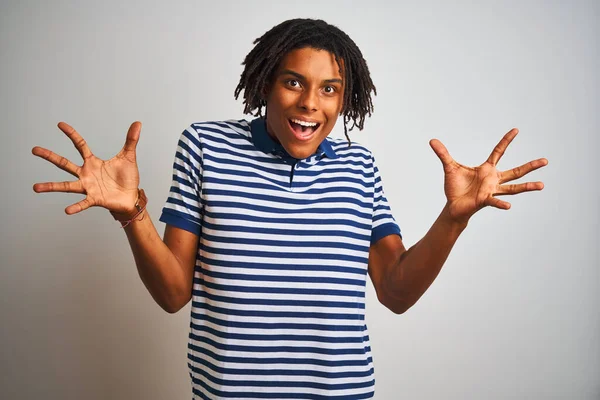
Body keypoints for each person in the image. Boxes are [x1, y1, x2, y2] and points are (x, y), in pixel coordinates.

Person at [32, 18, 547, 400]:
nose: (310, 103)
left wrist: (453, 219)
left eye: (330, 89)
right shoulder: (205, 148)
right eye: (294, 81)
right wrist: (132, 214)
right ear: (265, 84)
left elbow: (395, 291)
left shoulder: (358, 166)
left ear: (345, 100)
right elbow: (172, 295)